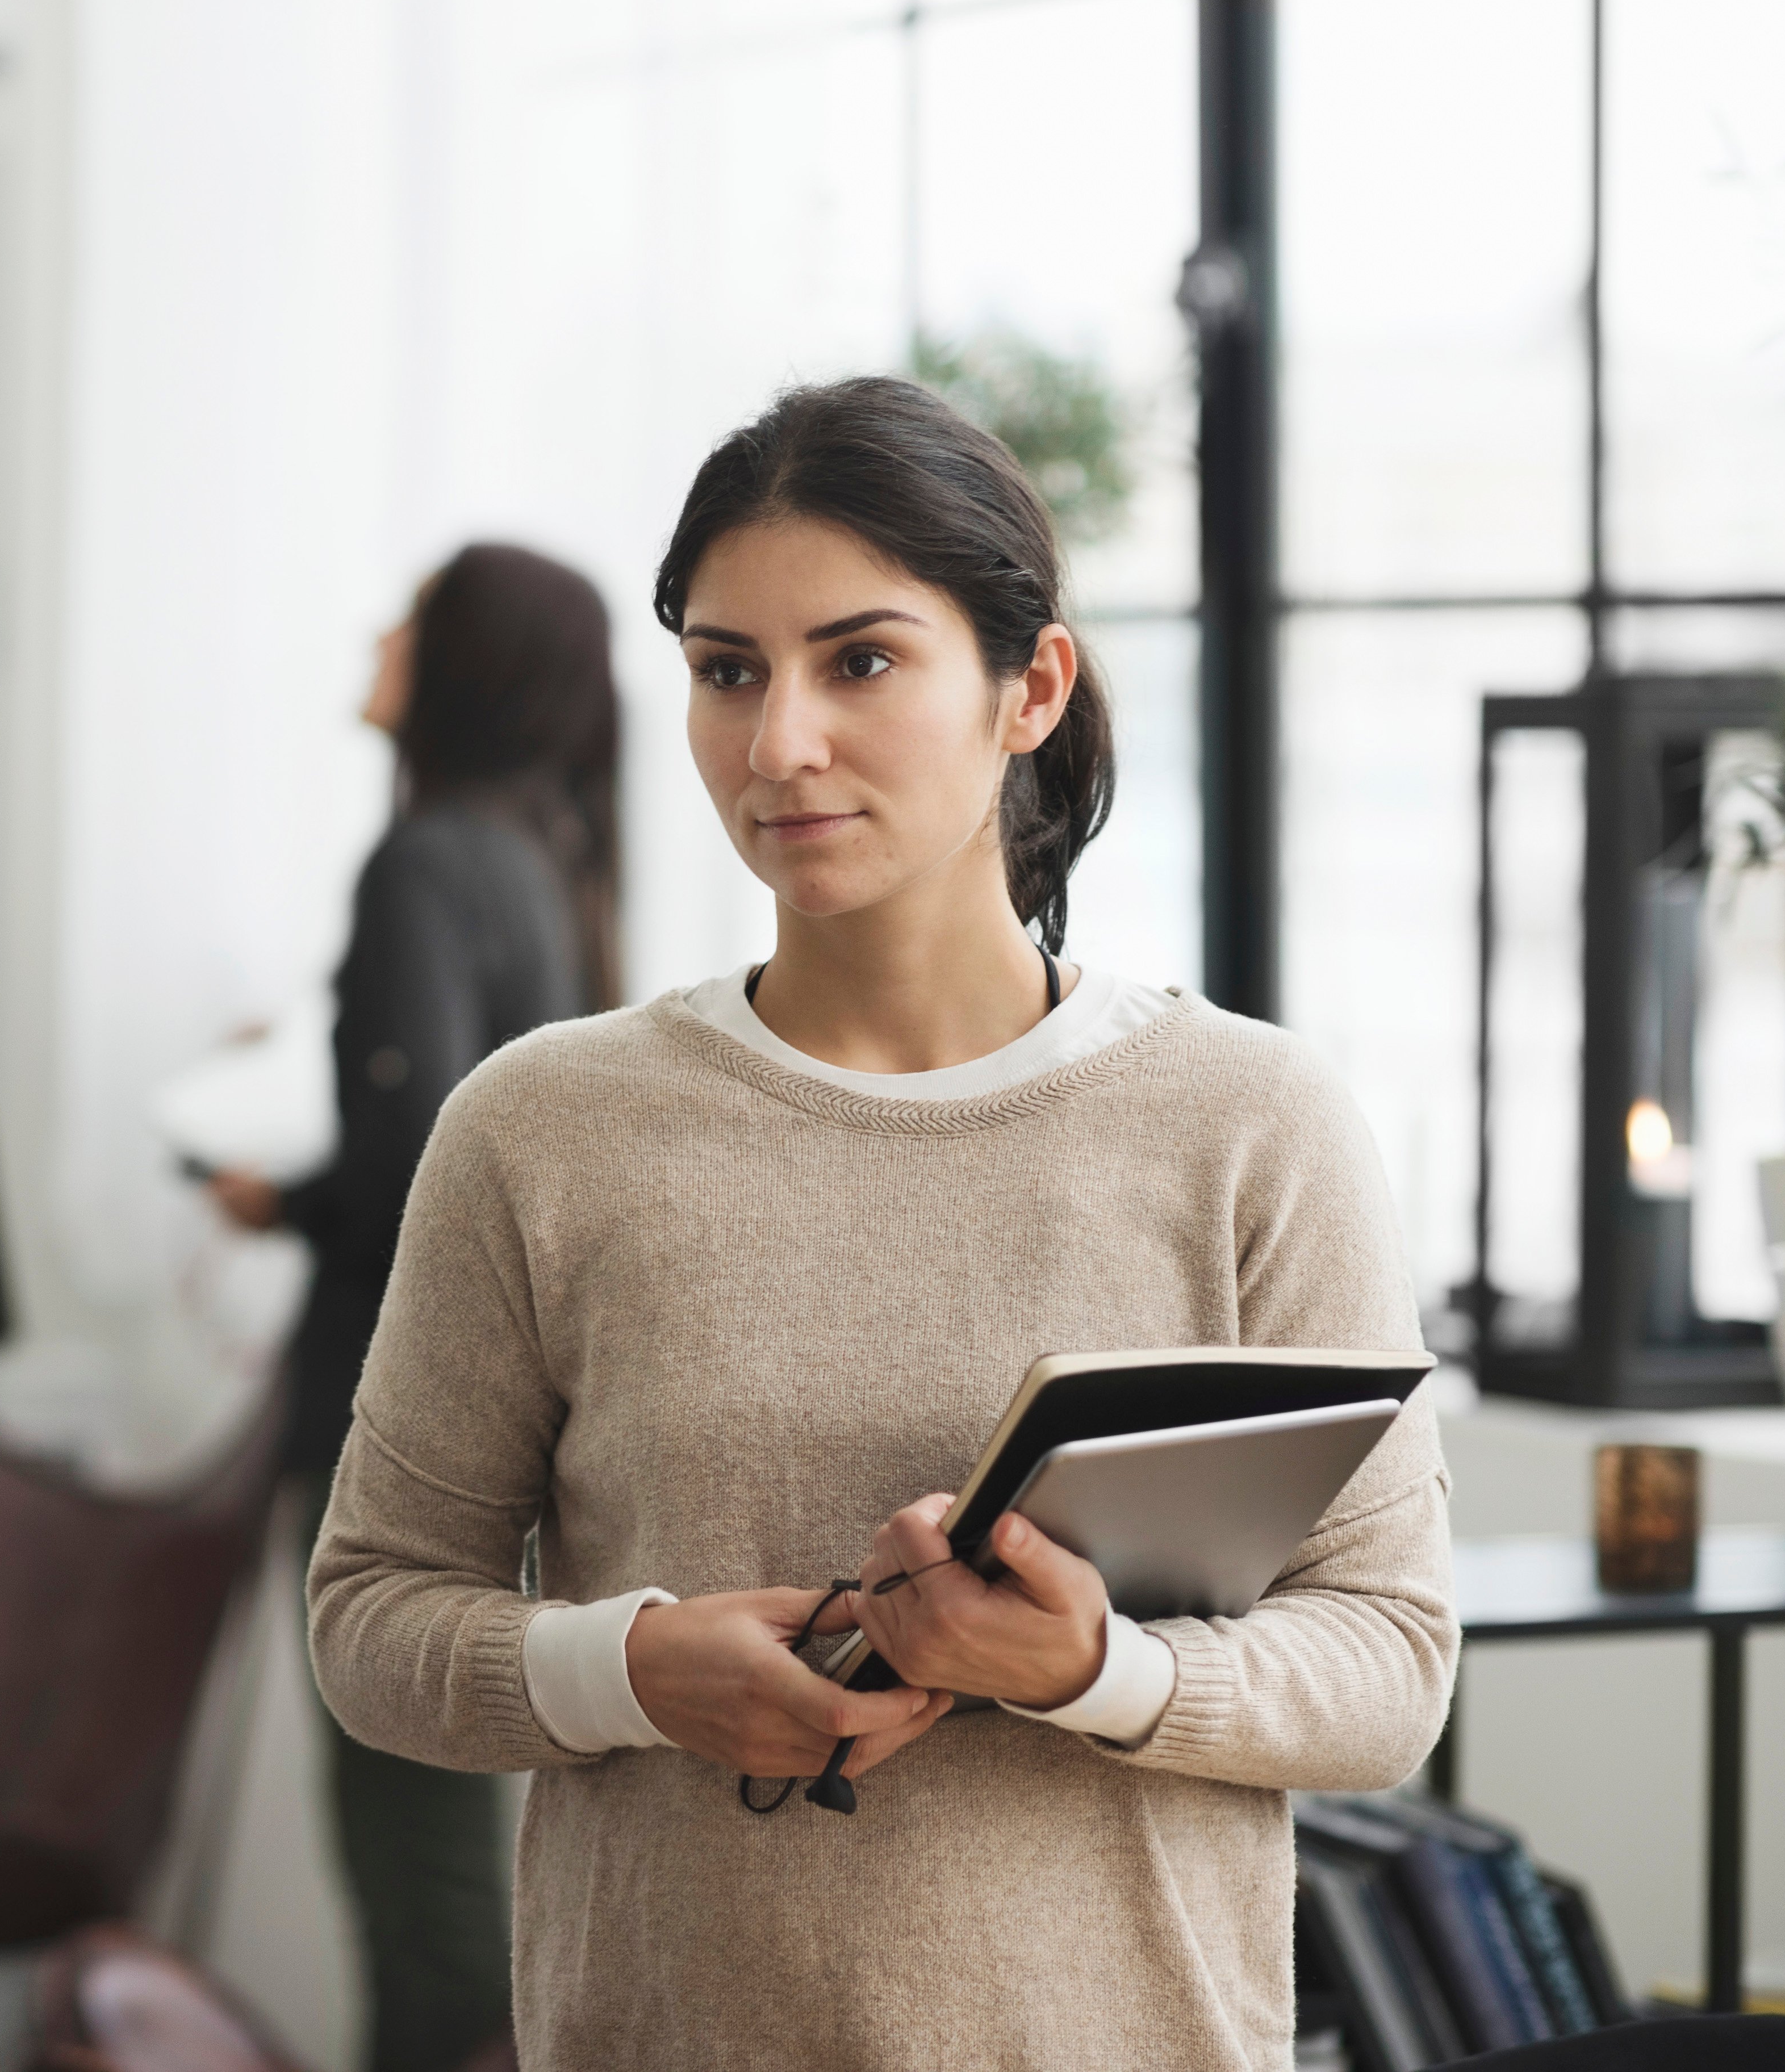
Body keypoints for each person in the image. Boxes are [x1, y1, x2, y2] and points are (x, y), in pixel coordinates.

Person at [305, 380, 1456, 2071]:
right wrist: (627, 1669)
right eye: (725, 670)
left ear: (1029, 687)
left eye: (858, 660)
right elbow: (371, 1620)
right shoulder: (541, 1128)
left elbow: (1385, 1666)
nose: (777, 744)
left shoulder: (1248, 1124)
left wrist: (1094, 1670)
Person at [208, 541, 620, 2072]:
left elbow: (409, 1160)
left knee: (415, 1865)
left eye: (413, 615)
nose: (379, 635)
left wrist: (277, 1196)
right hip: (516, 1421)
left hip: (399, 1422)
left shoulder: (426, 860)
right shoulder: (553, 859)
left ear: (463, 662)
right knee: (465, 1845)